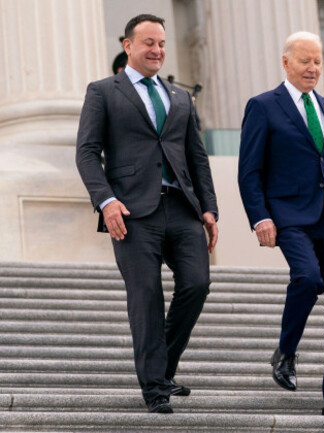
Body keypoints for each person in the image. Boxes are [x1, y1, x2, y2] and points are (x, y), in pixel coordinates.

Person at [76, 14, 218, 414]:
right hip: (132, 212)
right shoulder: (104, 91)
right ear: (128, 46)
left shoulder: (179, 97)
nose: (157, 50)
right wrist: (106, 200)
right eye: (149, 43)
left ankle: (163, 366)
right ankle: (155, 388)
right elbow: (87, 152)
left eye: (162, 43)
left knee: (196, 283)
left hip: (182, 207)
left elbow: (197, 157)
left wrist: (209, 208)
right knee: (147, 297)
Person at [238, 31, 324, 416]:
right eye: (305, 61)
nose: (313, 68)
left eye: (317, 61)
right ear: (286, 62)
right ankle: (286, 349)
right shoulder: (263, 106)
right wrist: (260, 216)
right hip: (290, 217)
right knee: (308, 279)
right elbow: (250, 171)